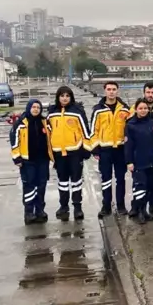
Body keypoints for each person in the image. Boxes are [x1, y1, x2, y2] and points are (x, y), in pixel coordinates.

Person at [46, 86, 91, 222]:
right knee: (63, 182)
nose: (64, 98)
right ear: (58, 97)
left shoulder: (77, 111)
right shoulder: (52, 112)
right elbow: (48, 132)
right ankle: (63, 206)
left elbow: (86, 132)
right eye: (62, 96)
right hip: (59, 153)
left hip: (75, 152)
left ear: (71, 97)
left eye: (67, 96)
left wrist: (86, 150)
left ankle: (77, 207)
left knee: (76, 181)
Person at [90, 81, 130, 218]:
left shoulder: (125, 109)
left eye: (114, 89)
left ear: (117, 91)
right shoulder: (98, 109)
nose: (111, 91)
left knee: (121, 178)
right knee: (106, 178)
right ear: (105, 91)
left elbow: (129, 129)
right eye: (109, 89)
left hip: (120, 149)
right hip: (105, 150)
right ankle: (106, 206)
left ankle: (121, 205)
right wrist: (95, 149)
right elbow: (93, 130)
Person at [10, 99, 50, 225]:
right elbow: (14, 142)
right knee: (29, 186)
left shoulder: (44, 122)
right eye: (33, 107)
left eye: (38, 107)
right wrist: (17, 158)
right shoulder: (20, 123)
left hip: (43, 160)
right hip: (27, 161)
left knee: (41, 185)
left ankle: (40, 211)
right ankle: (29, 213)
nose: (36, 109)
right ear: (29, 108)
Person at [130, 82, 153, 215]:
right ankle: (136, 205)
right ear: (144, 92)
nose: (150, 95)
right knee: (138, 181)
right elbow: (129, 125)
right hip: (139, 150)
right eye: (148, 92)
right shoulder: (135, 107)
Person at [125, 99, 153, 224]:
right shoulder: (130, 125)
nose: (143, 110)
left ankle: (145, 210)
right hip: (138, 161)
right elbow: (128, 145)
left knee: (150, 187)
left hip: (152, 160)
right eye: (140, 108)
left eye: (145, 108)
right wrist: (129, 161)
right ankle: (139, 210)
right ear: (136, 110)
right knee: (140, 187)